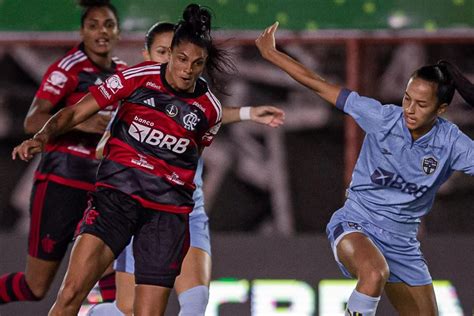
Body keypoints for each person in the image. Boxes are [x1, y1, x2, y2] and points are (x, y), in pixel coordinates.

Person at [12, 3, 248, 315]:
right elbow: (76, 111)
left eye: (196, 63)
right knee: (69, 294)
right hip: (116, 202)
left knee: (145, 312)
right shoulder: (136, 78)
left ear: (204, 64)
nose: (186, 69)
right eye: (180, 59)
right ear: (169, 54)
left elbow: (192, 158)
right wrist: (42, 136)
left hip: (165, 216)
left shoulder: (210, 110)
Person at [256, 22, 473, 315]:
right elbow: (318, 83)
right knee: (372, 273)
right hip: (356, 225)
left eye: (421, 104)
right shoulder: (382, 118)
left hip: (403, 244)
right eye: (407, 98)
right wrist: (272, 55)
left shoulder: (453, 144)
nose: (409, 110)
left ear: (442, 109)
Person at [87, 22, 285, 316]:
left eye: (175, 54)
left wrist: (248, 113)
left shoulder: (197, 98)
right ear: (146, 56)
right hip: (139, 213)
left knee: (195, 305)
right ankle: (93, 313)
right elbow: (102, 150)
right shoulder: (134, 100)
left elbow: (212, 116)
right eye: (162, 53)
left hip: (186, 213)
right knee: (128, 310)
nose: (171, 62)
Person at [0, 0, 125, 305]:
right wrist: (80, 123)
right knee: (36, 287)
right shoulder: (68, 68)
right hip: (62, 181)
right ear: (82, 30)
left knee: (108, 268)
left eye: (108, 25)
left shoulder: (123, 73)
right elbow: (33, 119)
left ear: (118, 31)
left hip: (101, 188)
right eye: (93, 25)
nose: (101, 32)